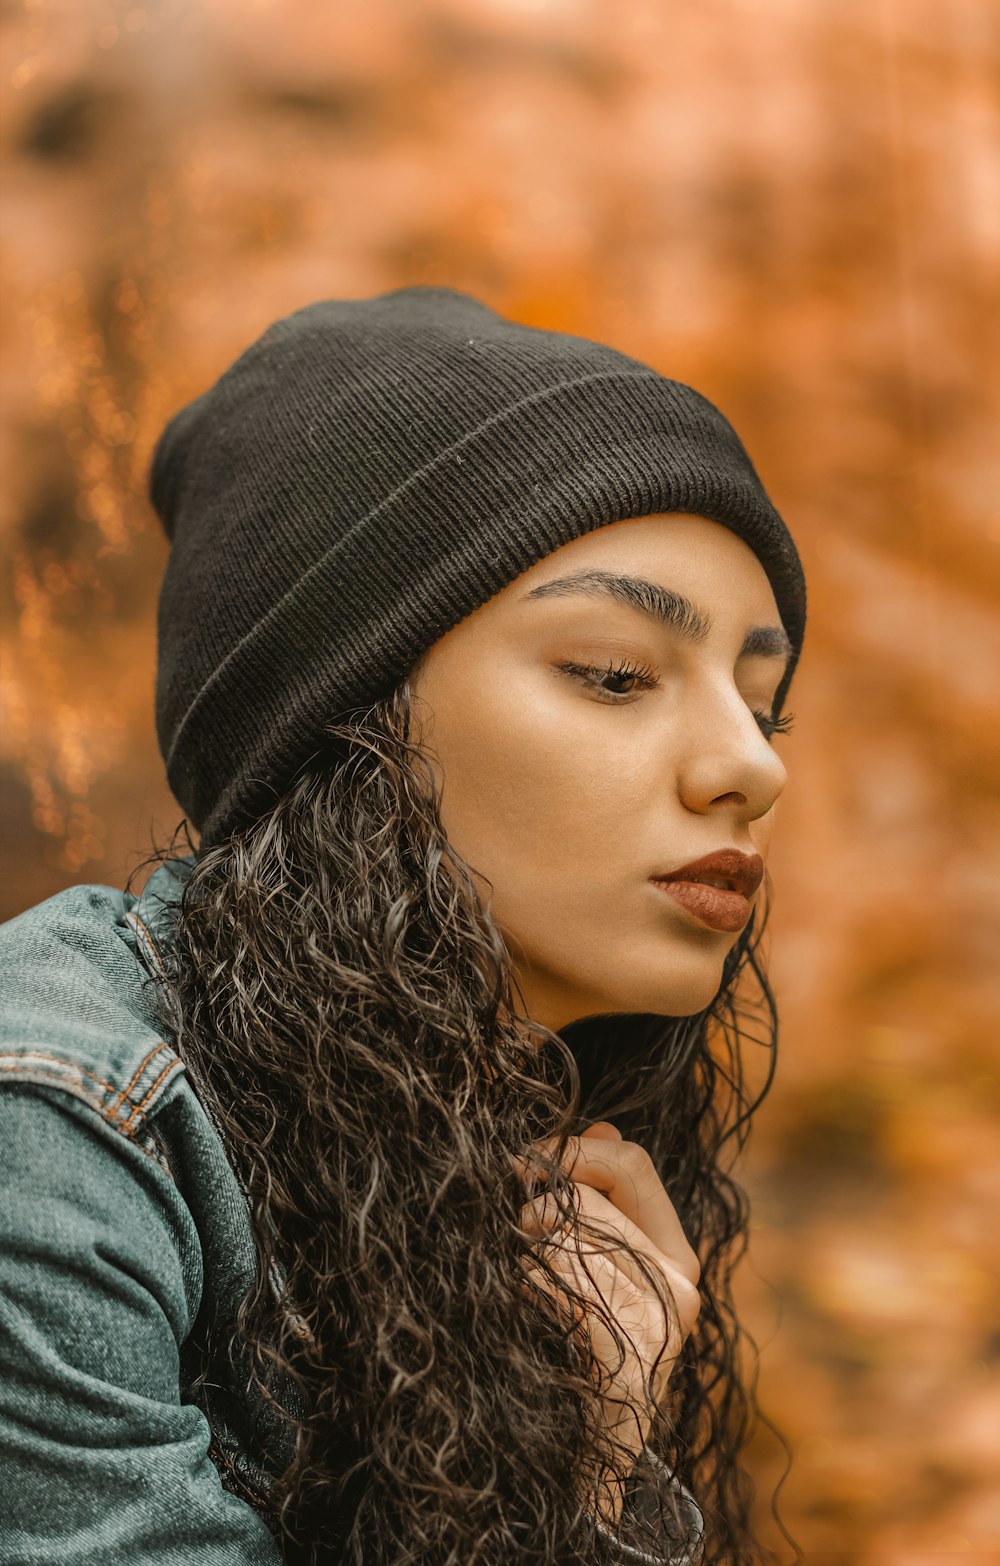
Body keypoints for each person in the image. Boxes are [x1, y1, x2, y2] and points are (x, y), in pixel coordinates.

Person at [0, 284, 807, 1565]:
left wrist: (582, 1454)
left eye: (764, 707)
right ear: (345, 727)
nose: (751, 770)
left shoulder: (507, 1129)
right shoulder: (54, 1130)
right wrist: (573, 1499)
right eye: (614, 675)